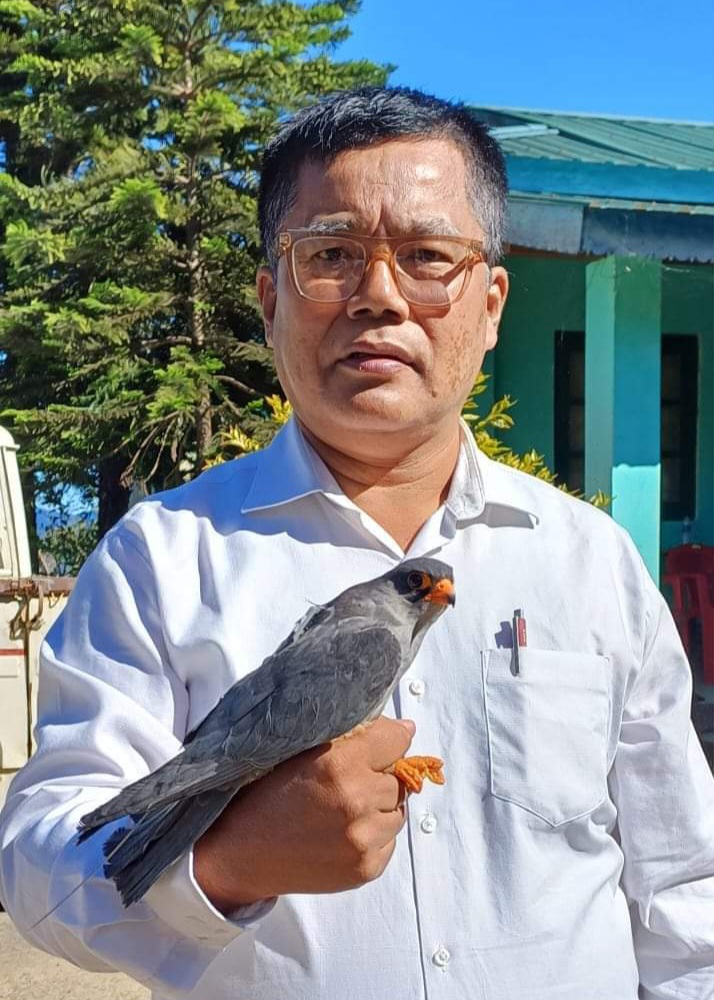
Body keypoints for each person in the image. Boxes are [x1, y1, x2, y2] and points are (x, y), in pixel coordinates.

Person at [0, 87, 712, 1000]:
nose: (380, 297)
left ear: (491, 305)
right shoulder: (162, 558)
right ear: (269, 301)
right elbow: (38, 871)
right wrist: (227, 862)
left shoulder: (594, 560)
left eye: (426, 256)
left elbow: (685, 896)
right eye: (331, 255)